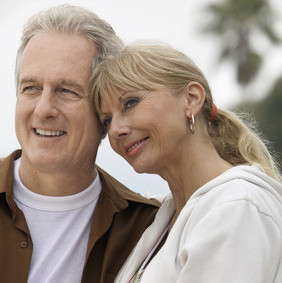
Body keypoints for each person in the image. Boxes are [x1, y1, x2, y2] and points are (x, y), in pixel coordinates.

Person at [92, 42, 282, 282]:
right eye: (107, 120)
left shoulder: (235, 207)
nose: (116, 130)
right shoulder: (163, 218)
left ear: (191, 99)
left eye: (130, 103)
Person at [0, 6, 160, 283]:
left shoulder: (147, 229)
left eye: (66, 91)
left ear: (104, 113)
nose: (43, 109)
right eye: (31, 88)